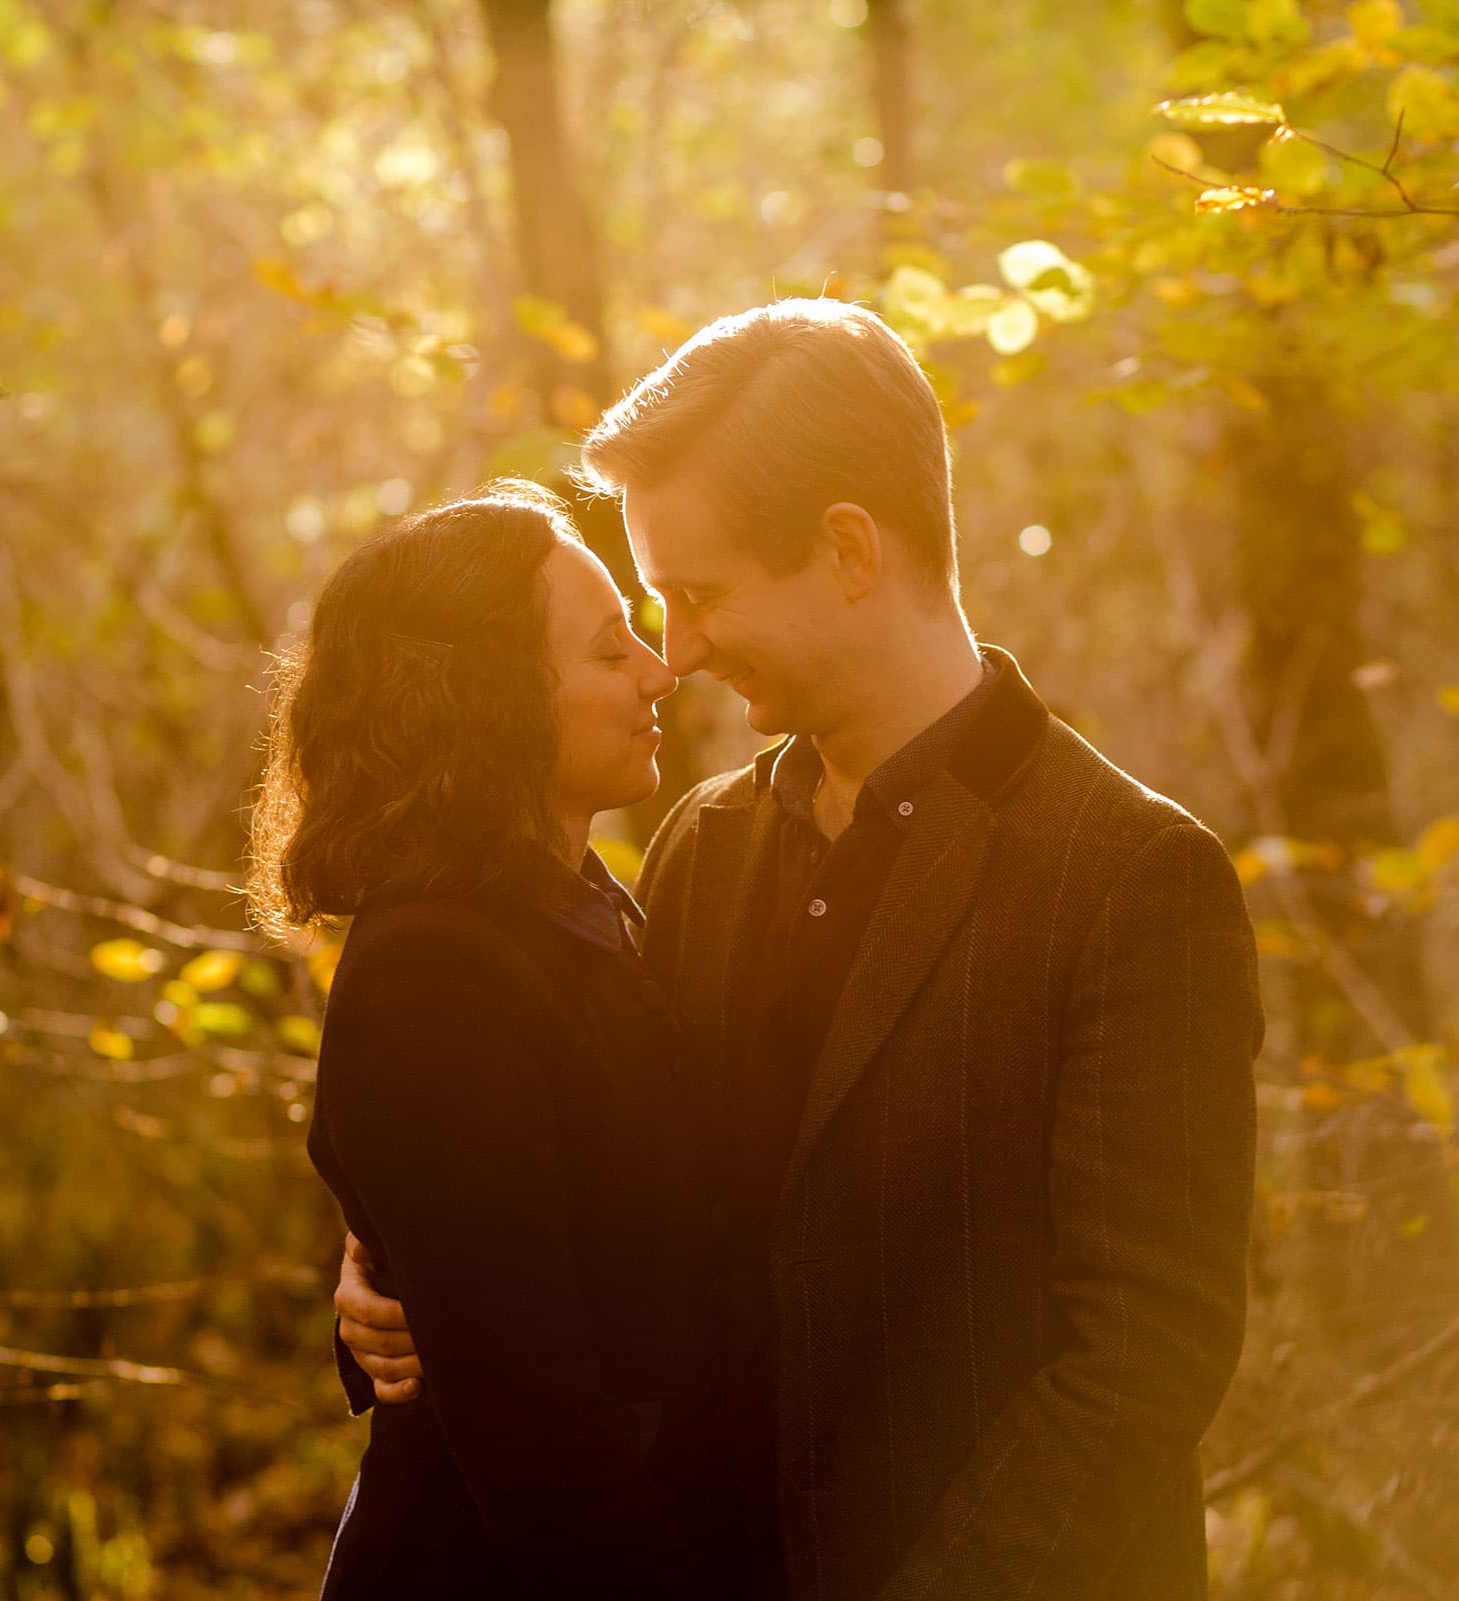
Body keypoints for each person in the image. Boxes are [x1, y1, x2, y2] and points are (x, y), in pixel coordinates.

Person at [336, 299, 1265, 1601]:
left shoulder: (1128, 876)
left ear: (845, 551)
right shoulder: (703, 850)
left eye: (699, 596)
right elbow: (587, 1201)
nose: (678, 650)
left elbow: (1144, 1359)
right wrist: (386, 1265)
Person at [249, 483, 742, 1598]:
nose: (660, 673)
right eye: (610, 651)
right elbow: (542, 1439)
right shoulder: (437, 968)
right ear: (492, 695)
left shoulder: (585, 903)